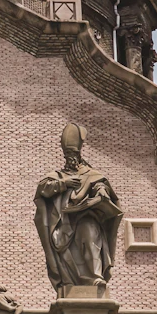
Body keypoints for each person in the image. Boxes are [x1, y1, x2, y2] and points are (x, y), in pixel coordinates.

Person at [34, 123, 122, 293]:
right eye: (67, 155)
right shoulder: (58, 176)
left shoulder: (90, 173)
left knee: (90, 233)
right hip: (64, 222)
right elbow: (42, 189)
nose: (70, 158)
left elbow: (99, 185)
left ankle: (95, 277)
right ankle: (68, 280)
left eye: (73, 154)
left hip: (86, 217)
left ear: (79, 154)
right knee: (66, 250)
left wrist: (102, 192)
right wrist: (63, 183)